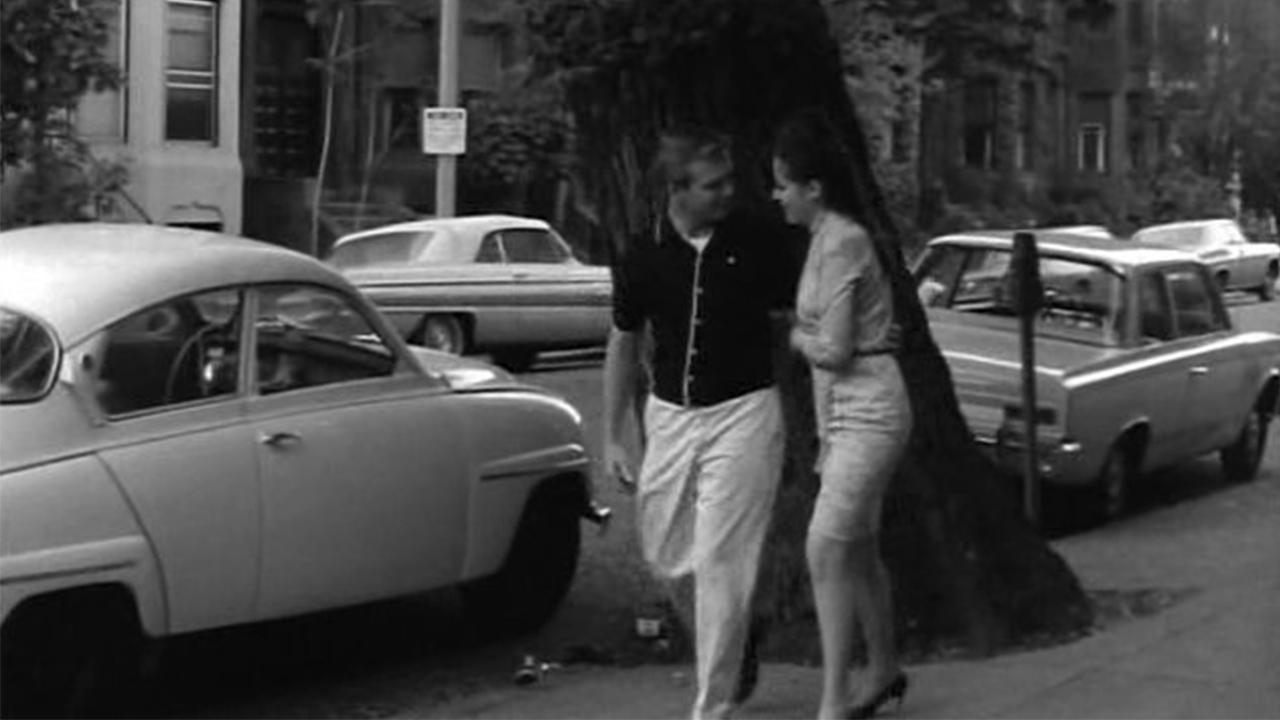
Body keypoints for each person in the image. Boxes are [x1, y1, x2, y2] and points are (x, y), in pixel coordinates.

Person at [603, 125, 799, 720]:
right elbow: (623, 339)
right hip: (671, 415)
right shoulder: (645, 252)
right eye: (713, 185)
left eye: (728, 182)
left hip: (744, 412)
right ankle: (738, 629)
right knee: (664, 551)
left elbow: (795, 316)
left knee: (721, 559)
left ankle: (712, 705)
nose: (727, 193)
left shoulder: (756, 241)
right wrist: (612, 434)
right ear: (678, 189)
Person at [771, 108, 913, 720]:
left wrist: (793, 336)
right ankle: (881, 669)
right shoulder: (824, 240)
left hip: (870, 408)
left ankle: (834, 700)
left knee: (826, 547)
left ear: (813, 187)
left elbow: (833, 349)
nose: (776, 196)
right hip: (848, 410)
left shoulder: (842, 241)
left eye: (783, 184)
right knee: (855, 547)